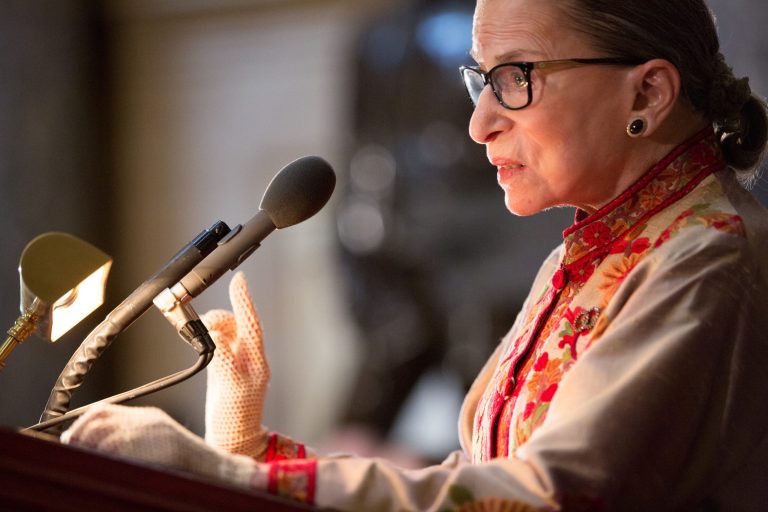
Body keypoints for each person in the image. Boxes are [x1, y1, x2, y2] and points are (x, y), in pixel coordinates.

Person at [60, 0, 768, 509]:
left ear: (646, 90)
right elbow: (483, 478)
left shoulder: (706, 257)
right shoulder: (590, 256)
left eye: (515, 78)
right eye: (481, 81)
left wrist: (234, 481)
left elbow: (544, 497)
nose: (479, 123)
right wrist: (244, 447)